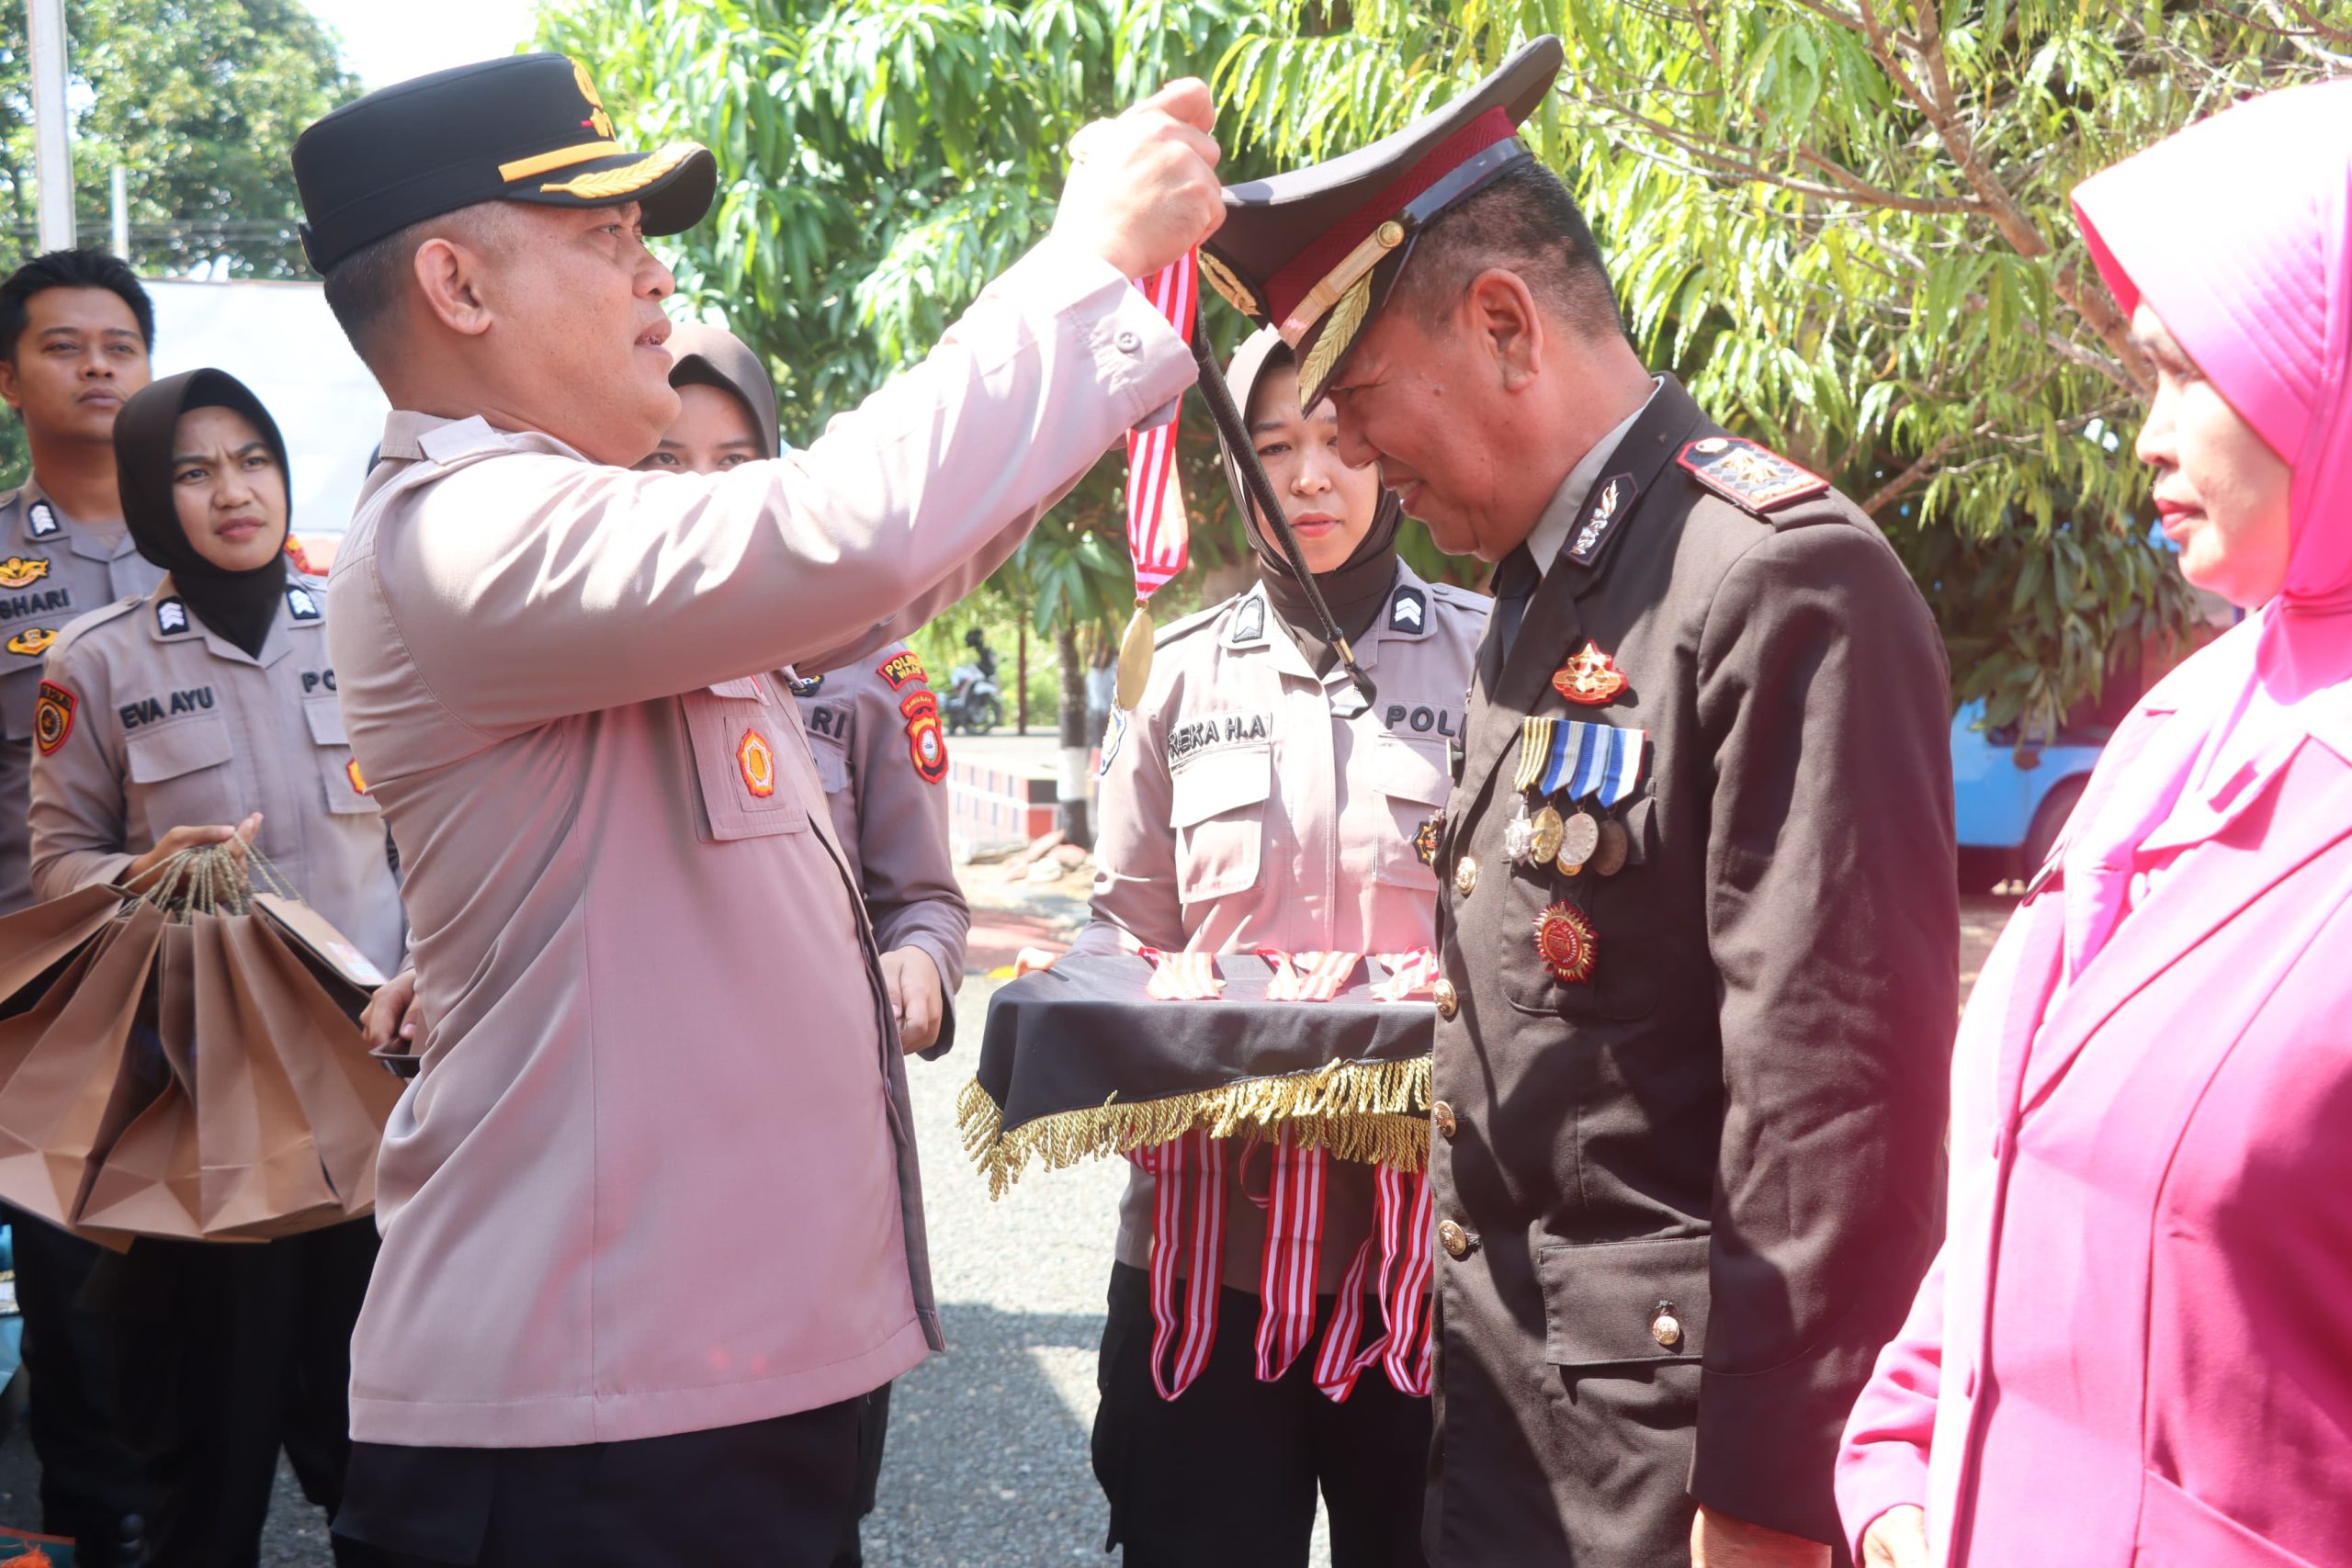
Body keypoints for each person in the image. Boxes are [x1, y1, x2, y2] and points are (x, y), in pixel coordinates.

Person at [287, 51, 1219, 1564]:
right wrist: (1083, 263)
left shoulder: (569, 540)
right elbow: (839, 538)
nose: (657, 277)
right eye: (607, 240)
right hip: (589, 1429)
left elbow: (887, 578)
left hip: (695, 1393)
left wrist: (1104, 331)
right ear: (456, 284)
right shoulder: (460, 529)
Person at [1197, 38, 1958, 1564]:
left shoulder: (1773, 580)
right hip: (1512, 1421)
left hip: (1670, 1479)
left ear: (1501, 325)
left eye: (1354, 401)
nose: (1341, 455)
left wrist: (1772, 1505)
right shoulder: (1554, 589)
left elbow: (1830, 1125)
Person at [1838, 80, 2352, 1568]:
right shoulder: (2188, 722)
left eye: (2189, 373)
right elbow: (2024, 1155)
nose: (2141, 437)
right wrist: (1901, 1453)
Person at [1055, 326, 1482, 1566]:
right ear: (1238, 475)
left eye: (1343, 441)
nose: (1312, 476)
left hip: (1425, 1271)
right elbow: (1124, 928)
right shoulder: (1177, 680)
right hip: (1206, 1268)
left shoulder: (1489, 661)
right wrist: (1101, 999)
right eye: (1277, 445)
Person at [28, 368, 401, 1566]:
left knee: (383, 1450)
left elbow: (438, 838)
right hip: (207, 1110)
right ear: (149, 494)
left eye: (252, 458)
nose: (233, 491)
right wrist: (143, 879)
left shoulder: (367, 623)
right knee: (211, 1456)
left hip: (381, 1092)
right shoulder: (99, 663)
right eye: (193, 471)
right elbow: (57, 865)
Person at [636, 321, 971, 1565]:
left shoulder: (867, 659)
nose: (707, 497)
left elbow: (925, 897)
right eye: (667, 465)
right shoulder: (574, 665)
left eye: (739, 461)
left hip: (816, 1183)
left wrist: (921, 967)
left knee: (810, 1511)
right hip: (642, 1189)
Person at [0, 247, 164, 1568]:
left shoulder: (228, 538)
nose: (98, 364)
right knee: (68, 1265)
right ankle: (95, 1519)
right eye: (64, 344)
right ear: (9, 378)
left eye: (120, 342)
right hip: (39, 979)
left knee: (236, 1234)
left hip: (221, 977)